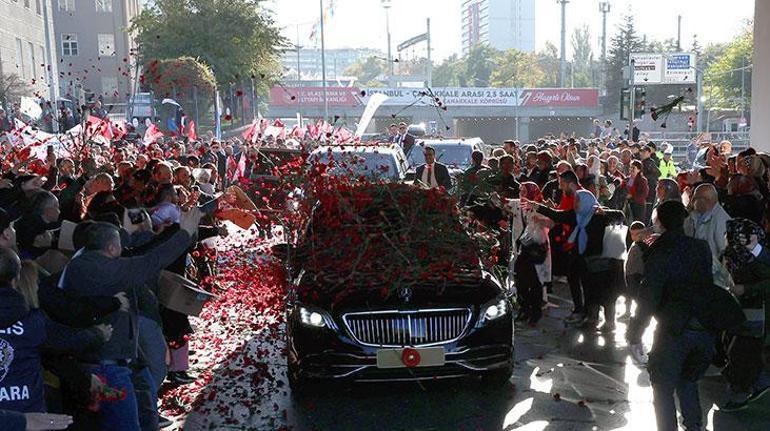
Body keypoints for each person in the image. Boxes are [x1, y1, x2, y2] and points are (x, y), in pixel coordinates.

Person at [60, 217, 197, 430]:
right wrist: (185, 233)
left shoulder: (80, 262)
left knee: (143, 408)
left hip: (122, 359)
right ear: (112, 247)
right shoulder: (103, 269)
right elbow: (152, 260)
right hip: (108, 365)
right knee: (125, 424)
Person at [627, 201, 715, 431]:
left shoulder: (658, 252)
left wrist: (635, 332)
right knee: (688, 382)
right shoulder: (701, 248)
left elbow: (649, 297)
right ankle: (694, 427)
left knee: (662, 387)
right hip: (702, 327)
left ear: (659, 223)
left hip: (673, 330)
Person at [719, 218, 770, 411]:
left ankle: (739, 395)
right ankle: (758, 384)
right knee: (744, 353)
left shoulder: (755, 260)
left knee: (741, 354)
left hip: (755, 316)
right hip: (743, 314)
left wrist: (745, 289)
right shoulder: (735, 257)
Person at [684, 183, 731, 261]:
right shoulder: (694, 215)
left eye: (695, 198)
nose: (692, 200)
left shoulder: (721, 220)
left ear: (707, 200)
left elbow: (724, 251)